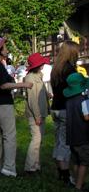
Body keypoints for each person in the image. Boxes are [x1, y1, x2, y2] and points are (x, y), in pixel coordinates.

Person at [0, 37, 33, 177]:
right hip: (2, 105)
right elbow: (3, 86)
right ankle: (9, 168)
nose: (7, 49)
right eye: (5, 47)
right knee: (9, 136)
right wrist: (23, 85)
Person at [51, 40, 80, 184]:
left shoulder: (56, 68)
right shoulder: (69, 70)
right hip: (65, 109)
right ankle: (65, 175)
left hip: (55, 108)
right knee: (65, 144)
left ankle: (60, 171)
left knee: (58, 141)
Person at [24, 53, 50, 174]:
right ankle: (30, 167)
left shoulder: (39, 76)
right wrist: (37, 116)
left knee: (39, 140)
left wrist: (48, 94)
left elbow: (41, 92)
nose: (43, 65)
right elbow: (32, 99)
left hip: (42, 112)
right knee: (36, 139)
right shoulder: (30, 78)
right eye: (41, 63)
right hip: (35, 114)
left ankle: (36, 164)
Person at [63, 73, 89, 190]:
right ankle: (79, 185)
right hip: (82, 136)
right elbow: (86, 117)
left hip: (71, 136)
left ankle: (75, 181)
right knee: (84, 162)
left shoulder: (68, 101)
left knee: (76, 161)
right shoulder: (83, 100)